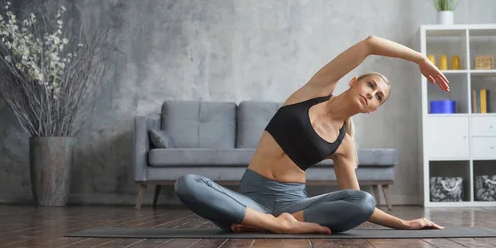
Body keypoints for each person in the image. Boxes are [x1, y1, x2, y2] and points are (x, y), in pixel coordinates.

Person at [174, 35, 450, 234]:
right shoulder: (314, 92)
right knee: (187, 184)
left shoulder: (343, 144)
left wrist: (403, 224)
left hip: (294, 205)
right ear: (354, 81)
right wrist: (420, 59)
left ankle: (257, 223)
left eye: (379, 97)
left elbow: (356, 200)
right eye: (370, 85)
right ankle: (277, 226)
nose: (371, 94)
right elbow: (369, 44)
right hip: (250, 198)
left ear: (373, 110)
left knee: (364, 200)